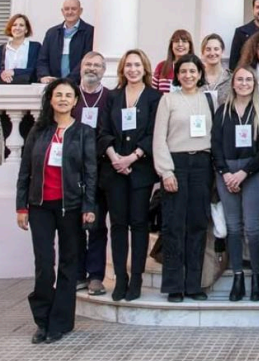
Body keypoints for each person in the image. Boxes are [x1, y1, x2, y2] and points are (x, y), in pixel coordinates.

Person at [16, 79, 97, 344]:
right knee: (44, 266)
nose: (63, 99)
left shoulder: (84, 132)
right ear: (50, 99)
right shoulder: (38, 131)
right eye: (58, 94)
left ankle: (60, 323)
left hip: (71, 207)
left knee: (68, 265)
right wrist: (21, 206)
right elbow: (25, 171)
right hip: (40, 206)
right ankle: (42, 320)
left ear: (75, 101)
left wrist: (89, 207)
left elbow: (90, 172)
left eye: (68, 95)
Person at [97, 49, 162, 301]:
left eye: (137, 65)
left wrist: (132, 157)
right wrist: (115, 158)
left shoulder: (155, 97)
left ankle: (136, 278)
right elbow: (103, 131)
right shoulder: (112, 97)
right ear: (122, 69)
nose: (132, 69)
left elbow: (154, 132)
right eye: (128, 65)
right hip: (114, 171)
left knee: (138, 224)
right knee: (118, 225)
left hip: (140, 170)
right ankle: (120, 280)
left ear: (144, 68)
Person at [152, 54, 214, 302]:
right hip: (176, 164)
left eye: (193, 71)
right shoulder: (168, 100)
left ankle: (194, 284)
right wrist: (166, 171)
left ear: (200, 74)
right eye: (183, 71)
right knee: (174, 226)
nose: (188, 76)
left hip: (202, 164)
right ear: (177, 75)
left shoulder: (209, 100)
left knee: (198, 224)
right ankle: (174, 285)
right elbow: (158, 138)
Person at [211, 66, 259, 302]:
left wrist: (244, 173)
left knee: (252, 227)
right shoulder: (223, 110)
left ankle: (256, 276)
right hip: (226, 171)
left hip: (253, 171)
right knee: (233, 228)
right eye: (240, 80)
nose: (244, 83)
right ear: (232, 84)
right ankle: (237, 277)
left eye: (248, 79)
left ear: (254, 83)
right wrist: (225, 173)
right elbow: (214, 145)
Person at [72, 52, 109, 296]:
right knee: (73, 224)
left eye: (97, 65)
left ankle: (96, 275)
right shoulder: (70, 95)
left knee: (96, 223)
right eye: (88, 64)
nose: (92, 69)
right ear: (81, 67)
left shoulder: (110, 97)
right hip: (73, 169)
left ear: (103, 70)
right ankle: (76, 274)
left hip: (100, 168)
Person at [37, 0, 94, 83]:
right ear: (62, 11)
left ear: (80, 11)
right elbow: (42, 59)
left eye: (74, 9)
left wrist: (69, 80)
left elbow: (87, 59)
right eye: (66, 9)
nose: (70, 12)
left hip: (79, 84)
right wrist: (45, 76)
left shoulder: (90, 32)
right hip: (53, 85)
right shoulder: (52, 33)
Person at [229, 0, 259, 70]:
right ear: (253, 9)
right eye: (258, 7)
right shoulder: (240, 32)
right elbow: (233, 63)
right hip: (248, 77)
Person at [0, 13, 41, 84]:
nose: (17, 28)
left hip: (27, 89)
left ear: (26, 29)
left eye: (21, 25)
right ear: (10, 28)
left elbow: (36, 69)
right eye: (14, 25)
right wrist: (3, 74)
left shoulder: (35, 47)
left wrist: (14, 71)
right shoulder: (2, 49)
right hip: (4, 89)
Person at [200, 33, 231, 106]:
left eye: (216, 49)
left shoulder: (231, 79)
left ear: (222, 51)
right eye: (208, 49)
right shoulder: (196, 78)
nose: (212, 53)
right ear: (202, 52)